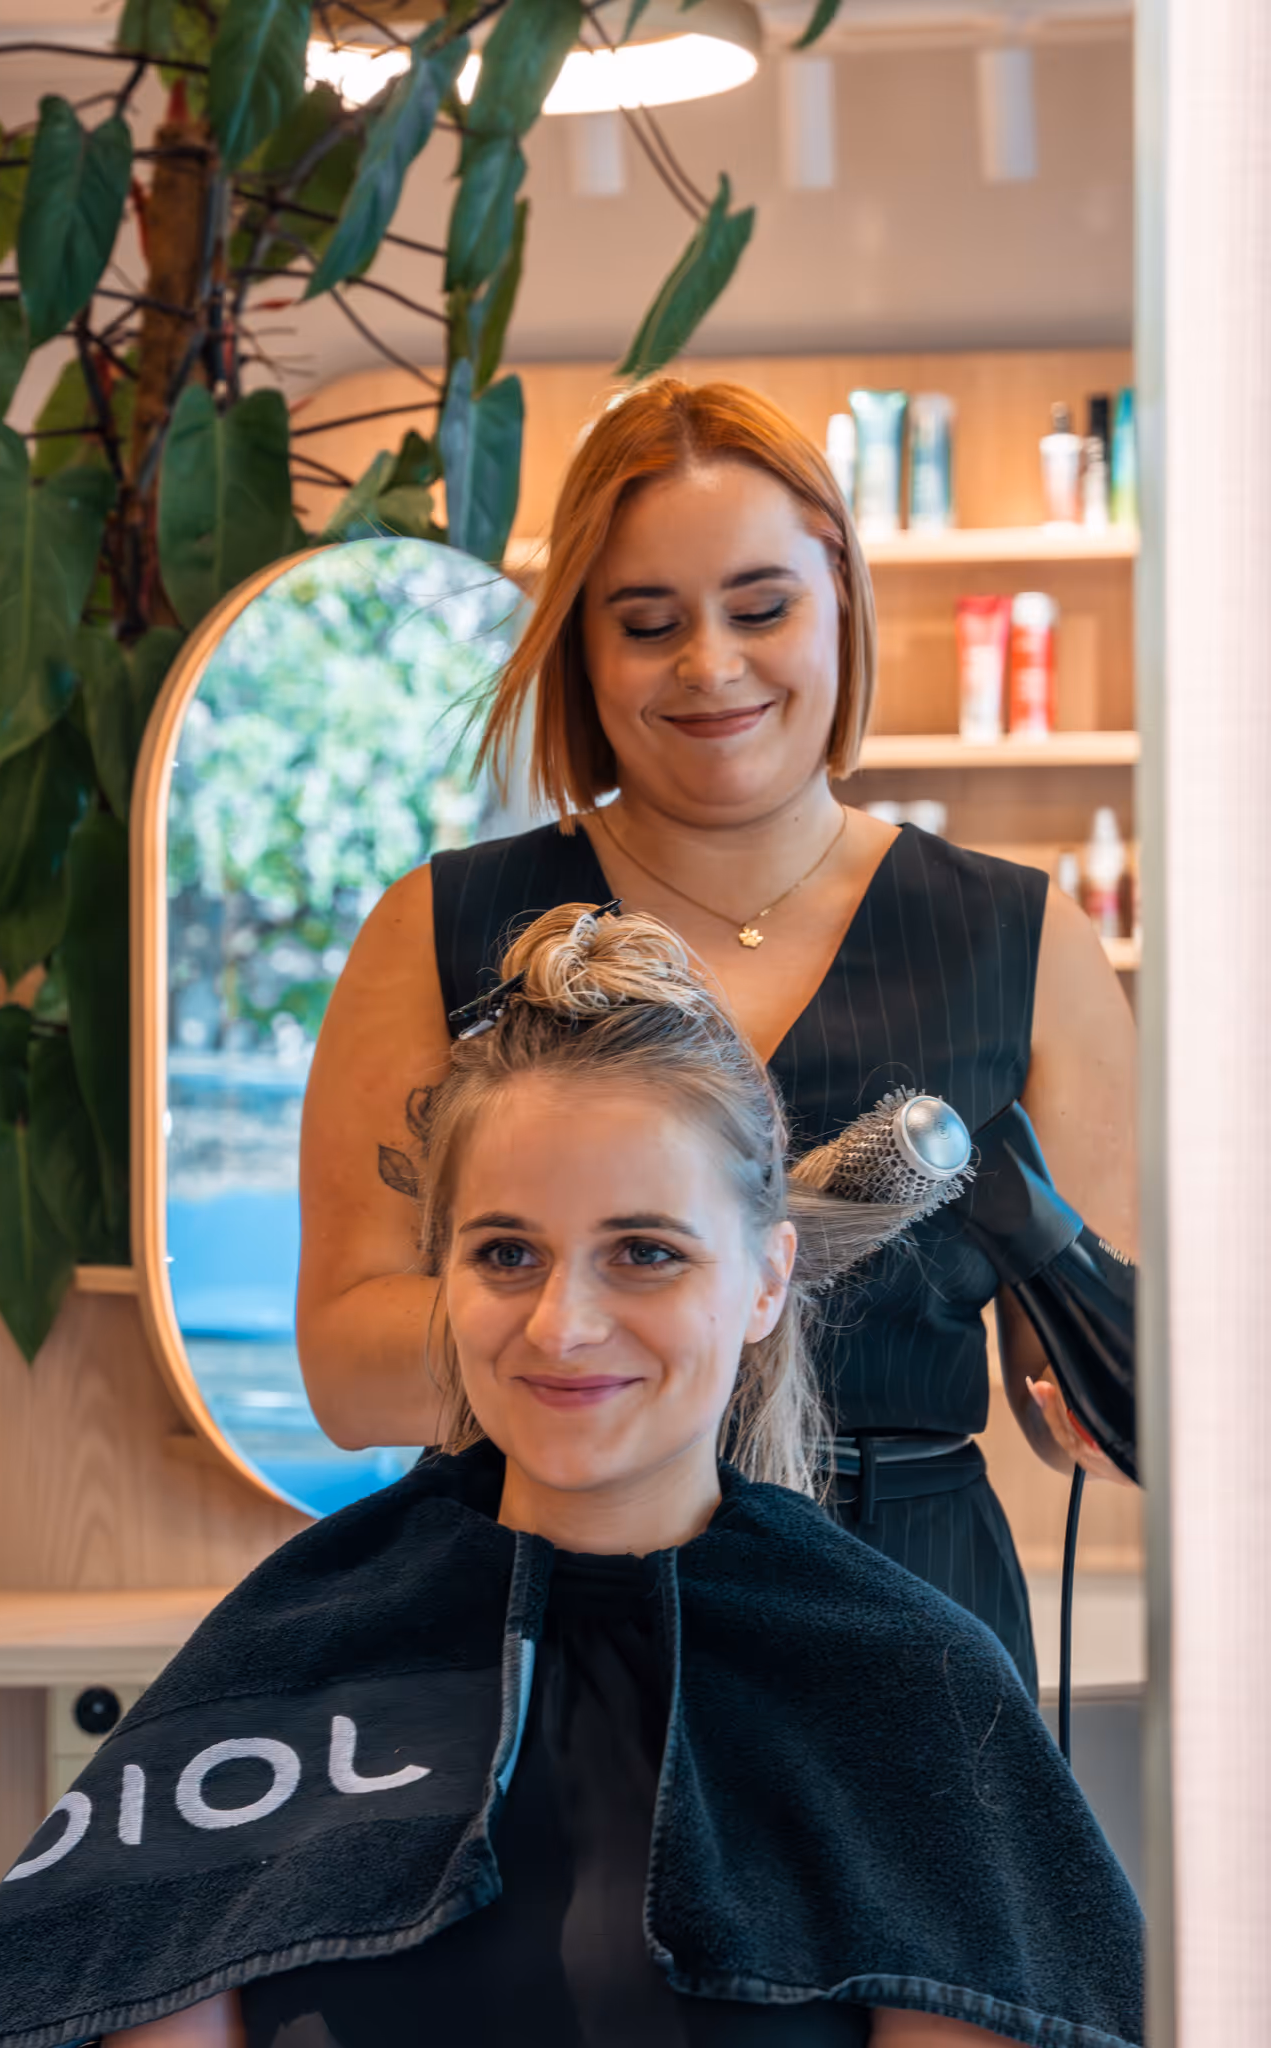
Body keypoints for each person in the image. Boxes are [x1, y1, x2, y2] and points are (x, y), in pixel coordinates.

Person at [0, 908, 1142, 2048]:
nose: (561, 1326)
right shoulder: (289, 1657)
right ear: (442, 1268)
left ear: (766, 1280)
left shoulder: (907, 1686)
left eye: (645, 1252)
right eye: (506, 1252)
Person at [296, 378, 1138, 1700]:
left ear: (841, 604)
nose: (710, 665)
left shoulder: (1024, 943)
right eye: (646, 623)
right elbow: (348, 1368)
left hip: (909, 1622)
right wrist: (634, 1314)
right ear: (581, 643)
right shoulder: (441, 930)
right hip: (547, 1600)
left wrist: (1109, 1368)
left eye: (761, 608)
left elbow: (1089, 1408)